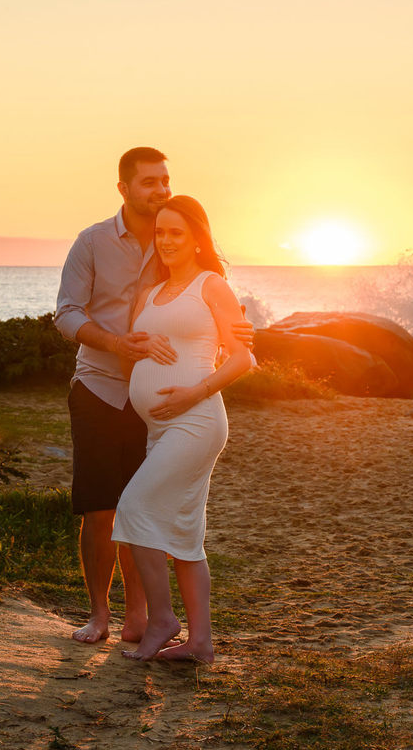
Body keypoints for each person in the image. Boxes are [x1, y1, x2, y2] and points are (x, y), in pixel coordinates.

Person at [112, 195, 253, 663]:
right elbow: (134, 357)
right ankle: (200, 643)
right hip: (159, 427)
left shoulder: (211, 285)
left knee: (133, 508)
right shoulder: (150, 293)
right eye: (160, 232)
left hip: (197, 419)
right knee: (185, 534)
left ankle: (162, 620)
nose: (166, 240)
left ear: (197, 238)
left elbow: (242, 358)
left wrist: (194, 393)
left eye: (177, 232)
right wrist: (138, 345)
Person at [54, 147, 176, 644]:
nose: (161, 190)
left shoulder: (177, 238)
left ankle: (139, 617)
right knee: (100, 510)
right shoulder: (92, 242)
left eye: (165, 180)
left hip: (157, 395)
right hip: (99, 390)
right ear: (124, 189)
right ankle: (99, 614)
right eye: (149, 182)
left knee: (144, 508)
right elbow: (67, 313)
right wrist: (116, 343)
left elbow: (206, 299)